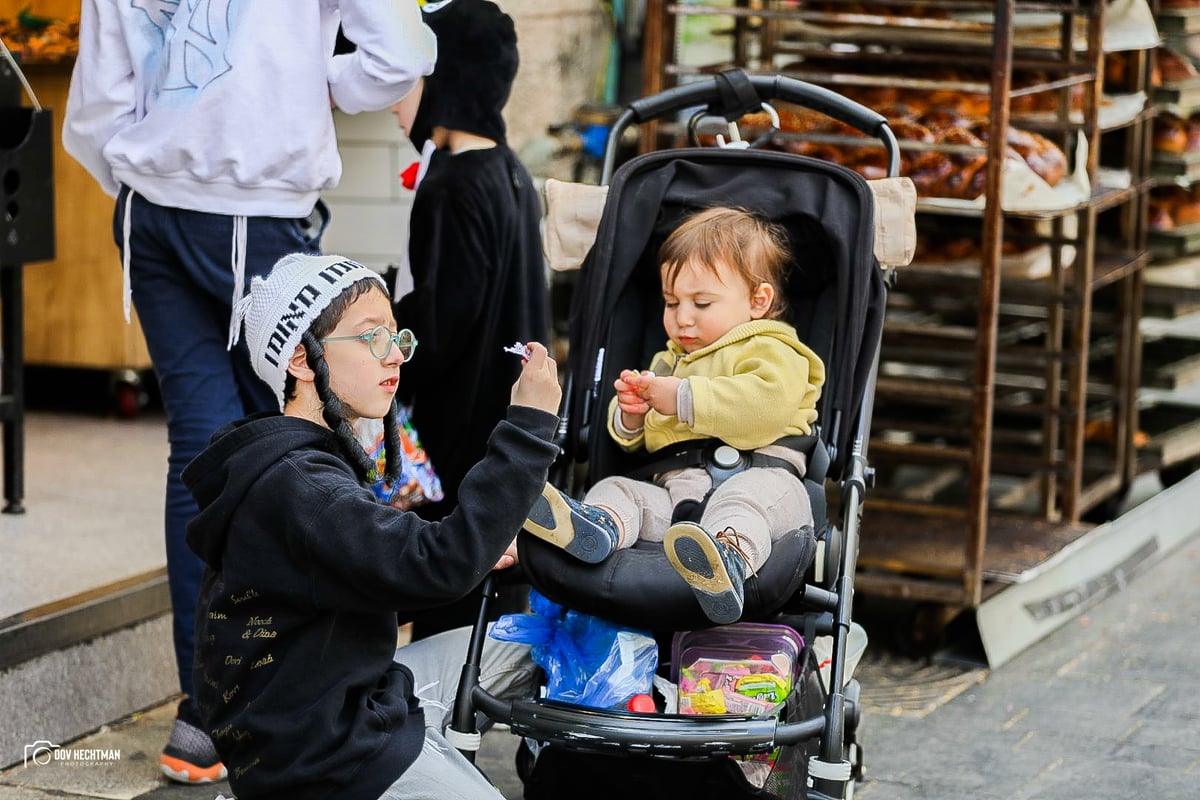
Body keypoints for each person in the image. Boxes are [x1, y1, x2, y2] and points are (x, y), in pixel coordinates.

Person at [61, 2, 436, 783]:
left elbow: (96, 103)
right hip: (257, 211)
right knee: (295, 441)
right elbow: (399, 53)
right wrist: (313, 80)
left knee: (200, 450)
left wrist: (152, 163)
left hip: (150, 214)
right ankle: (296, 701)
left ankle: (203, 717)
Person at [184, 252, 562, 800]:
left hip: (353, 699)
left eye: (395, 336)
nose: (395, 355)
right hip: (326, 754)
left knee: (543, 647)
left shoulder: (300, 464)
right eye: (370, 337)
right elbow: (437, 566)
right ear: (300, 360)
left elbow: (352, 586)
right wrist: (527, 427)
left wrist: (469, 551)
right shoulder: (302, 486)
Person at [523, 207, 826, 625]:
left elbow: (763, 409)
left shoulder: (774, 349)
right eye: (671, 302)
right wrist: (631, 415)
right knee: (619, 488)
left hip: (765, 483)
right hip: (678, 501)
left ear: (758, 301)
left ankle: (728, 562)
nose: (682, 317)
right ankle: (598, 528)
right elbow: (645, 440)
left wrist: (682, 397)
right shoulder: (671, 362)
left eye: (701, 302)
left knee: (742, 505)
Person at [391, 0, 550, 637]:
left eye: (408, 78)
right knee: (491, 598)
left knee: (445, 596)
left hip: (454, 432)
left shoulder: (452, 184)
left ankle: (438, 729)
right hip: (503, 423)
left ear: (444, 80)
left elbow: (441, 324)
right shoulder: (511, 174)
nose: (393, 98)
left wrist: (383, 331)